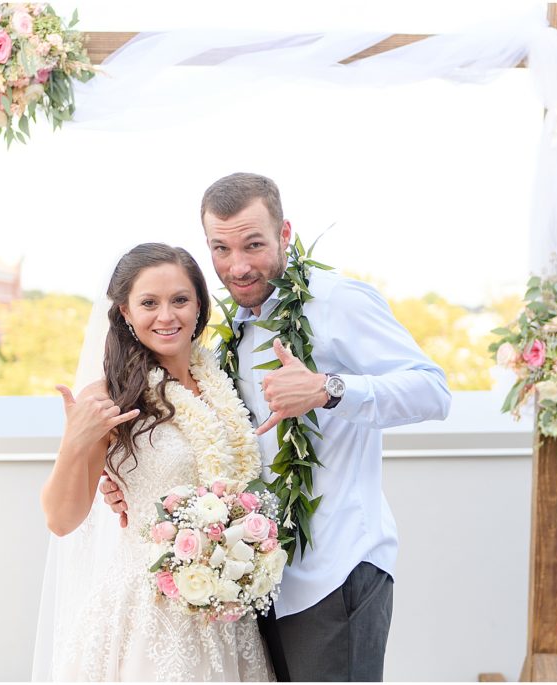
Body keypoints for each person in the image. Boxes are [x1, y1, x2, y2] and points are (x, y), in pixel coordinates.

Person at [101, 173, 452, 681]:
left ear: (285, 233)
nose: (238, 266)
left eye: (254, 244)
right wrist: (129, 482)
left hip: (336, 570)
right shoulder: (235, 331)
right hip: (258, 582)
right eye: (221, 249)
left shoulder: (337, 301)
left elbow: (432, 391)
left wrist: (329, 389)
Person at [35, 242, 273, 681]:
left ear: (199, 305)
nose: (167, 316)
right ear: (125, 312)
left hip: (229, 613)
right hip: (149, 612)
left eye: (180, 300)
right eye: (149, 303)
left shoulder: (223, 383)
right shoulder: (108, 396)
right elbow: (61, 519)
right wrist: (76, 442)